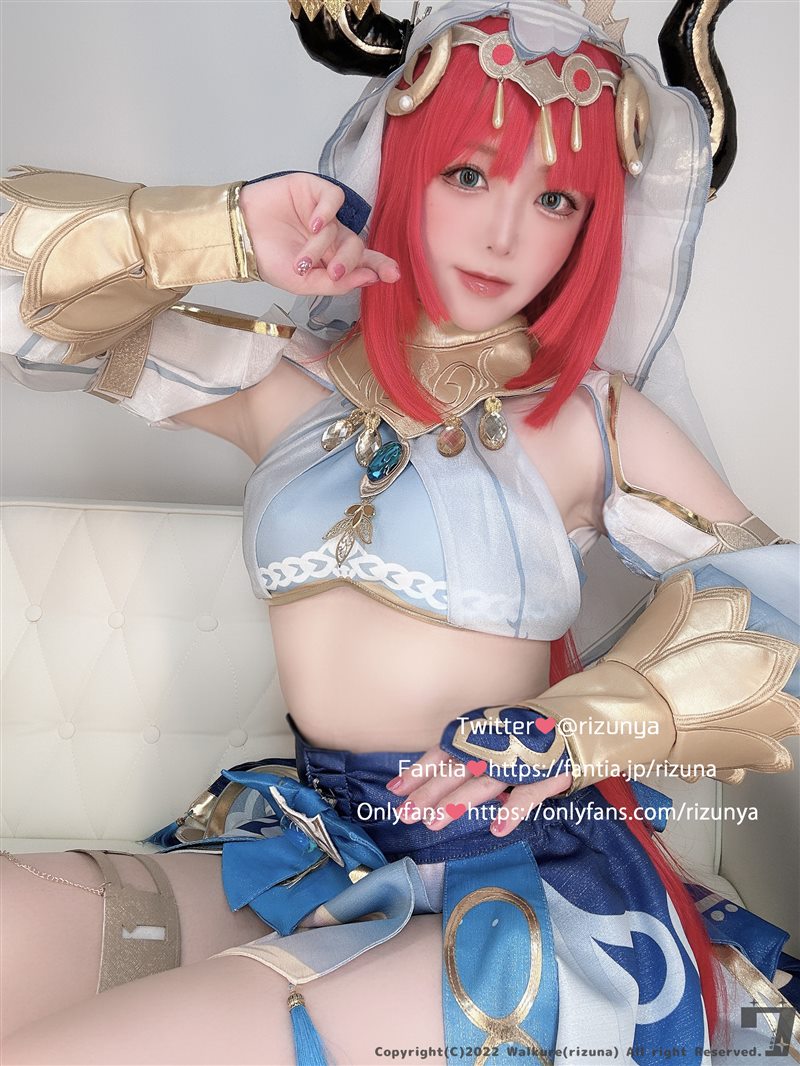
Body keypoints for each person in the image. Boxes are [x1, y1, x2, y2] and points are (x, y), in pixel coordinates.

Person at [0, 1, 798, 1063]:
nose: (504, 235)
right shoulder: (283, 382)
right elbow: (20, 306)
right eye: (467, 174)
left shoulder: (589, 421)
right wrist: (225, 228)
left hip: (509, 876)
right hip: (316, 845)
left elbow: (780, 615)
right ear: (405, 164)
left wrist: (577, 727)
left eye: (553, 198)